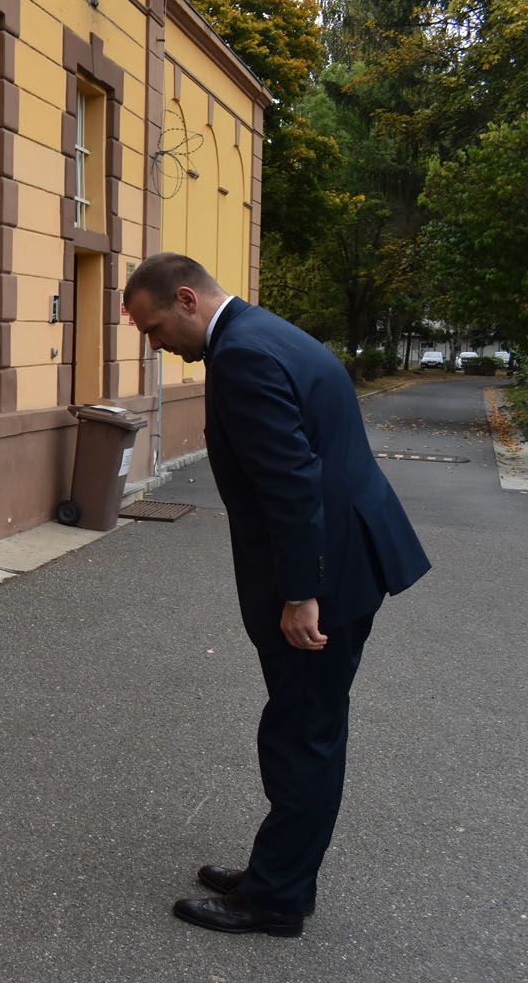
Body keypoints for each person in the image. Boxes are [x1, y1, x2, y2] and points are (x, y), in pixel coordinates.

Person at [122, 253, 431, 937]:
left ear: (186, 299)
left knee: (303, 734)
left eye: (154, 327)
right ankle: (280, 872)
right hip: (351, 557)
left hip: (328, 575)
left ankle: (276, 899)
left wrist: (301, 593)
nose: (156, 345)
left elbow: (293, 483)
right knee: (305, 726)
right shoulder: (268, 333)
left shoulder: (242, 356)